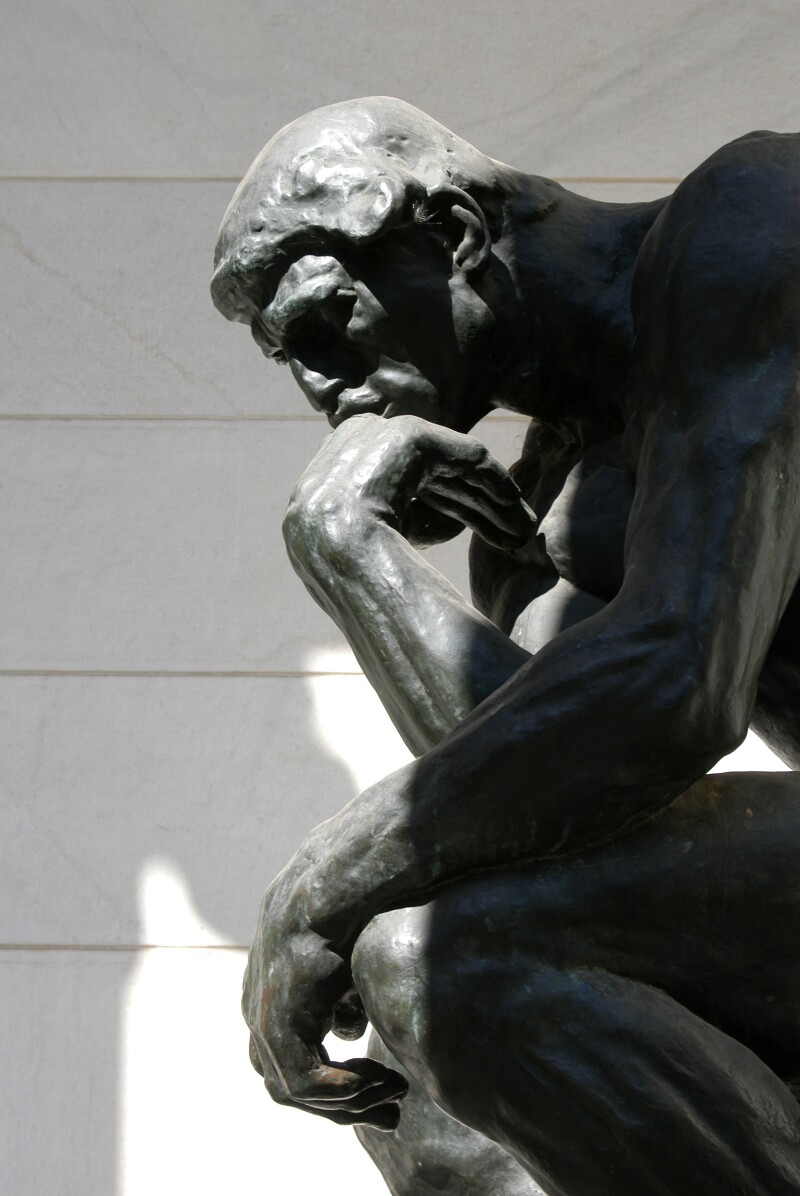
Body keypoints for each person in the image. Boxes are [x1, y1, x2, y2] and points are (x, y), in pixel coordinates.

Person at [211, 97, 800, 1194]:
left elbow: (678, 676)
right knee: (421, 1083)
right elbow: (542, 816)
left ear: (452, 234)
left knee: (442, 960)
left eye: (323, 326)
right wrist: (345, 551)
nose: (320, 391)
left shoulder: (752, 226)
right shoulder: (533, 505)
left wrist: (314, 890)